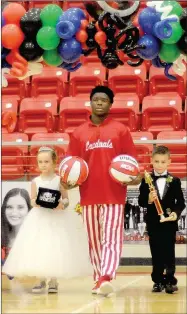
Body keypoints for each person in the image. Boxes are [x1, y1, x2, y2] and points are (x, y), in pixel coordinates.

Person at [62, 86, 141, 296]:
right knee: (94, 240)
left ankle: (107, 275)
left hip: (115, 193)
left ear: (110, 104)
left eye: (104, 100)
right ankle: (99, 279)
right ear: (90, 102)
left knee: (112, 238)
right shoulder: (78, 132)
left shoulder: (121, 130)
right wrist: (68, 181)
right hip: (88, 194)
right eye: (96, 99)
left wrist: (135, 176)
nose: (99, 103)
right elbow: (71, 163)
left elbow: (132, 161)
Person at [2, 147, 91, 294]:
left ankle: (54, 281)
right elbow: (32, 199)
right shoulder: (35, 181)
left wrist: (62, 205)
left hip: (56, 219)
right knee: (39, 247)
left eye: (47, 162)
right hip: (39, 218)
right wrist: (34, 202)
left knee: (55, 247)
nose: (43, 165)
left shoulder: (59, 181)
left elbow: (66, 199)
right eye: (40, 162)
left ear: (54, 163)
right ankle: (41, 279)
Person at [138, 146, 185, 294]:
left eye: (163, 162)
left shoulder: (175, 181)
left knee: (169, 252)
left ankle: (170, 280)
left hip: (169, 223)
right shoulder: (146, 180)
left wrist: (175, 214)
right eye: (156, 161)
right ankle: (157, 281)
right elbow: (140, 201)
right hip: (153, 223)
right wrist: (148, 200)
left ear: (169, 162)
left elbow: (181, 203)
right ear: (152, 161)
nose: (159, 165)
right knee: (156, 252)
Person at [1, 188, 31, 256]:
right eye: (9, 207)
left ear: (28, 209)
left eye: (20, 207)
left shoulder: (35, 239)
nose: (14, 213)